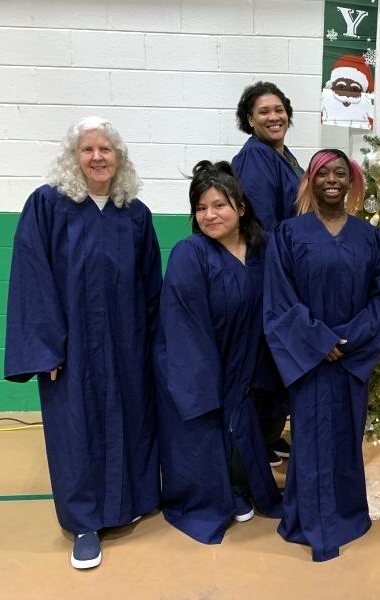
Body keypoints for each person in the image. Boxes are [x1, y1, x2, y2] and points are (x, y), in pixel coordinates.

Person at [4, 116, 161, 570]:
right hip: (69, 349)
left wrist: (154, 349)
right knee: (76, 432)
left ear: (119, 158)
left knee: (131, 419)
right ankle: (85, 524)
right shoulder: (48, 206)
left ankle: (130, 502)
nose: (97, 158)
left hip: (126, 343)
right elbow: (31, 280)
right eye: (88, 150)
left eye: (106, 150)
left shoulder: (135, 214)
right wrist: (44, 347)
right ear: (74, 157)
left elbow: (151, 289)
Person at [264, 149, 380, 561]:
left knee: (345, 436)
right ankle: (308, 519)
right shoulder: (287, 234)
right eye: (324, 173)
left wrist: (346, 341)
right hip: (310, 360)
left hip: (349, 361)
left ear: (351, 181)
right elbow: (280, 299)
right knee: (308, 439)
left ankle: (346, 515)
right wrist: (320, 342)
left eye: (341, 173)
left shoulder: (371, 238)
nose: (332, 180)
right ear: (311, 181)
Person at [154, 161, 283, 544]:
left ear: (241, 208)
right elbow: (183, 324)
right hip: (203, 362)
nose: (209, 215)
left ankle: (240, 487)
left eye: (219, 205)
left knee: (247, 427)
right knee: (207, 428)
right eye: (201, 208)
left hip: (246, 363)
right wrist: (207, 378)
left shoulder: (263, 250)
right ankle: (217, 495)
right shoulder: (190, 254)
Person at [232, 81, 303, 466]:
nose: (273, 117)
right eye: (264, 112)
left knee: (278, 363)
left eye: (279, 109)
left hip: (284, 268)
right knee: (266, 360)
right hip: (269, 273)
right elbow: (265, 226)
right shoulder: (255, 159)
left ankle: (271, 438)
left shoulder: (283, 155)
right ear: (250, 119)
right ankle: (256, 445)